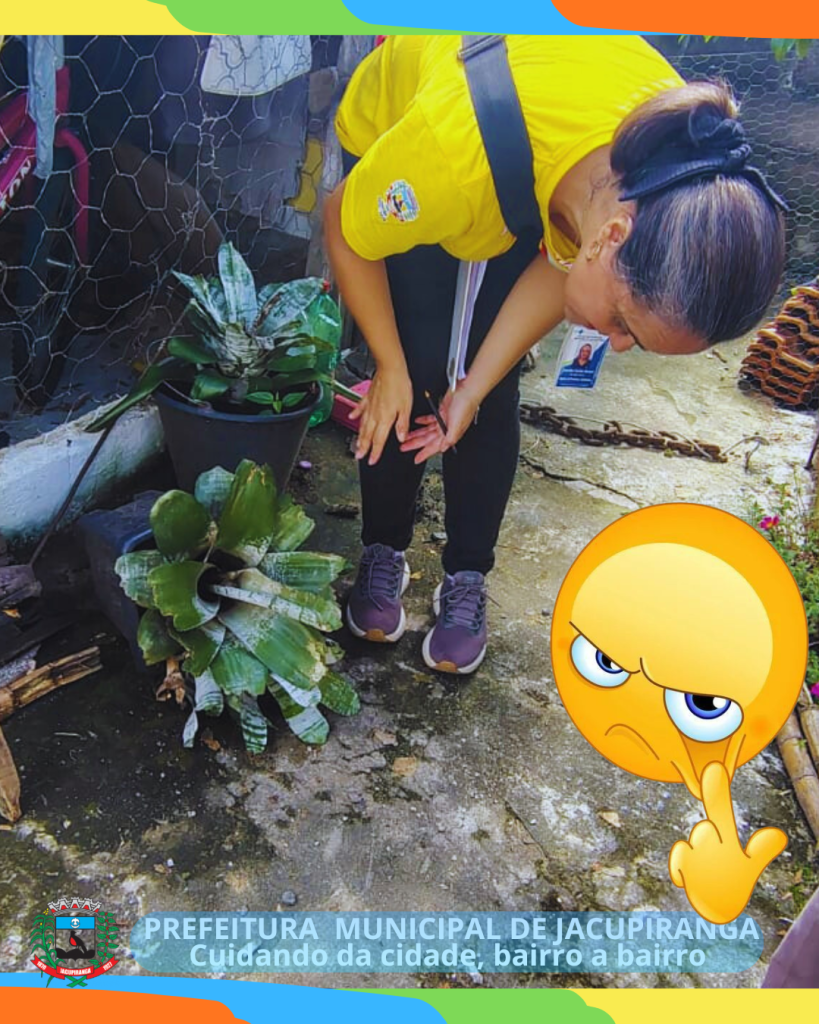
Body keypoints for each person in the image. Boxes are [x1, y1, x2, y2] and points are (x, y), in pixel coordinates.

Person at [323, 35, 787, 676]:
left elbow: (561, 255)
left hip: (524, 161)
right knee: (418, 360)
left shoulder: (671, 166)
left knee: (484, 383)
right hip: (415, 129)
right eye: (624, 324)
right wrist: (390, 364)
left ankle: (466, 576)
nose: (614, 344)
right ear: (612, 237)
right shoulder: (450, 158)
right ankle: (382, 548)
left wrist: (476, 385)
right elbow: (345, 226)